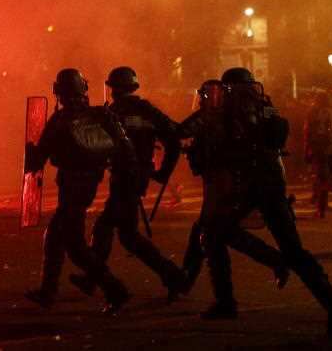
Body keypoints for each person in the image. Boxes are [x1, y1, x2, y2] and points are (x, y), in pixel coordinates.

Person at [184, 68, 332, 333]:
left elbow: (228, 145)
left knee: (216, 232)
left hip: (251, 185)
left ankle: (231, 298)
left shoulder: (234, 111)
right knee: (287, 248)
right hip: (271, 183)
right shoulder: (265, 106)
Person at [69, 66, 186, 300]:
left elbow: (97, 144)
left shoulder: (113, 112)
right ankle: (174, 277)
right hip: (135, 177)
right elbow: (174, 136)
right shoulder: (147, 110)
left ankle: (94, 277)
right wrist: (162, 172)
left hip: (125, 178)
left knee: (104, 227)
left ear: (114, 89)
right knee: (128, 237)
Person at [24, 68, 133, 313]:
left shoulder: (60, 120)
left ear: (58, 92)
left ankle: (115, 289)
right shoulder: (101, 115)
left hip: (71, 186)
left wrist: (30, 152)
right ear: (83, 88)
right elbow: (124, 148)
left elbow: (39, 159)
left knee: (74, 245)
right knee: (56, 236)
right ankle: (48, 291)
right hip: (89, 184)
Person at [180, 79, 288, 295]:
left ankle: (192, 284)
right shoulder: (252, 111)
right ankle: (186, 281)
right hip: (232, 179)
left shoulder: (221, 117)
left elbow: (182, 131)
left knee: (215, 231)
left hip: (225, 180)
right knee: (209, 230)